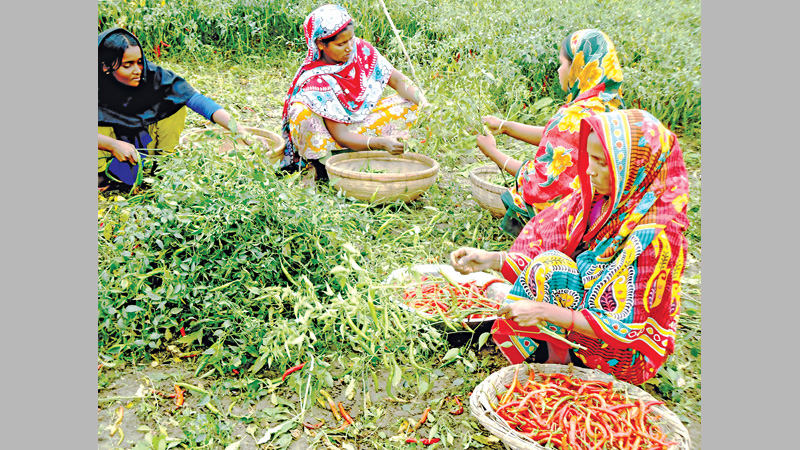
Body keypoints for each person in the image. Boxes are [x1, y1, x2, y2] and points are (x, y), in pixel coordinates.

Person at [450, 109, 689, 385]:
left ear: (632, 168)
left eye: (601, 161)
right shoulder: (600, 199)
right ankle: (556, 358)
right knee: (549, 266)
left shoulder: (657, 235)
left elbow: (626, 326)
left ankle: (567, 370)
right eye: (590, 158)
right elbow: (547, 249)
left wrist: (542, 311)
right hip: (586, 304)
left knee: (551, 272)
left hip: (622, 350)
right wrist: (491, 259)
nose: (588, 169)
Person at [476, 29, 624, 236]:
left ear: (579, 67)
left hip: (575, 220)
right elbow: (559, 137)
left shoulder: (574, 115)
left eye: (562, 64)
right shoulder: (611, 107)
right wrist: (504, 126)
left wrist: (492, 152)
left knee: (521, 198)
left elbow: (541, 184)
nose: (558, 71)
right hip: (607, 212)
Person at [280, 4, 428, 181]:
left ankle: (365, 153)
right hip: (329, 138)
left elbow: (396, 79)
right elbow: (341, 136)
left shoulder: (359, 50)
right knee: (301, 114)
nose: (349, 47)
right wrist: (380, 142)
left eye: (351, 39)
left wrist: (426, 105)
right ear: (320, 44)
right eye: (341, 44)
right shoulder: (316, 80)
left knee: (412, 104)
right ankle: (321, 166)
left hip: (357, 123)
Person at [98, 28, 248, 191]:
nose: (138, 70)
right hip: (106, 150)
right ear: (105, 67)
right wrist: (112, 145)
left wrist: (242, 133)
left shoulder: (154, 76)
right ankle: (102, 177)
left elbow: (199, 101)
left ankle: (162, 168)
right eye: (128, 65)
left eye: (140, 62)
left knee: (175, 105)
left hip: (146, 145)